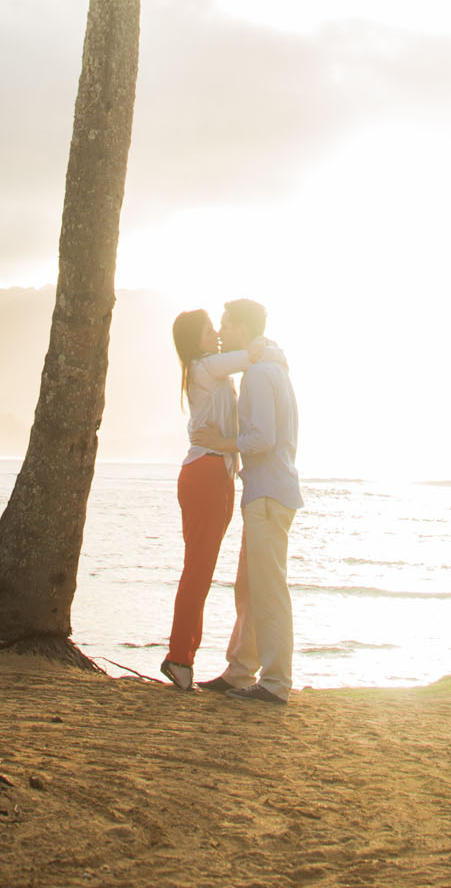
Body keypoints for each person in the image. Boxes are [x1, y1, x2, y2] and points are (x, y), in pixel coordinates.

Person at [160, 308, 273, 692]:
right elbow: (250, 355)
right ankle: (179, 658)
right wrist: (267, 344)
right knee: (198, 571)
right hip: (205, 475)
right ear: (197, 341)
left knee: (200, 571)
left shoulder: (210, 370)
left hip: (215, 474)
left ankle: (181, 658)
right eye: (211, 331)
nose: (216, 335)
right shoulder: (205, 366)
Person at [199, 297, 302, 706]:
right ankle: (240, 671)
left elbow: (262, 439)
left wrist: (221, 443)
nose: (221, 332)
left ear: (243, 328)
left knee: (267, 589)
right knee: (250, 587)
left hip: (268, 494)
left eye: (225, 324)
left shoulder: (260, 374)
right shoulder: (271, 365)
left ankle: (276, 683)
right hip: (268, 492)